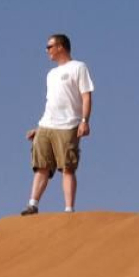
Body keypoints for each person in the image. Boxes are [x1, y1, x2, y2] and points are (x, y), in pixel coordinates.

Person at [21, 34, 94, 216]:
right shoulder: (51, 74)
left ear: (60, 47)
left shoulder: (79, 67)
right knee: (41, 166)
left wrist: (85, 121)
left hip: (69, 124)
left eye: (49, 46)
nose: (47, 51)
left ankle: (69, 209)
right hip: (47, 124)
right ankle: (33, 204)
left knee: (67, 167)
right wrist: (38, 129)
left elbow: (86, 95)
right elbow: (51, 102)